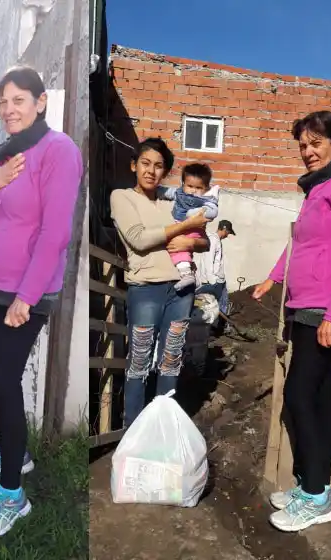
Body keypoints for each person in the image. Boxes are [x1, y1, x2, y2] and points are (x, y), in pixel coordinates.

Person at [0, 66, 83, 539]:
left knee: (2, 377)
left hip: (25, 293)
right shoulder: (7, 156)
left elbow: (56, 233)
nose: (9, 109)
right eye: (3, 102)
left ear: (40, 102)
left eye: (19, 99)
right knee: (1, 378)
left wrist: (27, 297)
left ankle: (13, 495)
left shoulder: (59, 150)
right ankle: (16, 455)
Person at [252, 110, 331, 532]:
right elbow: (299, 244)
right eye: (302, 145)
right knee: (319, 396)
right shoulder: (317, 191)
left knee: (302, 397)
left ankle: (318, 496)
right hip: (305, 305)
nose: (307, 152)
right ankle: (313, 487)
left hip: (327, 308)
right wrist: (272, 278)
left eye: (315, 143)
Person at [109, 137, 210, 428]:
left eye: (158, 166)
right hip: (146, 290)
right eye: (145, 164)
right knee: (139, 361)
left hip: (181, 291)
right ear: (134, 166)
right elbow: (140, 239)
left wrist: (191, 237)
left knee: (171, 361)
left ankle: (161, 431)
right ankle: (133, 430)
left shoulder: (173, 202)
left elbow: (202, 239)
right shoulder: (122, 197)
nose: (151, 171)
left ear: (165, 172)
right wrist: (184, 228)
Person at [157, 162, 219, 291]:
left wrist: (195, 213)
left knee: (178, 247)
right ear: (183, 184)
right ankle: (191, 275)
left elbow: (212, 211)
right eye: (190, 186)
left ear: (206, 189)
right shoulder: (179, 193)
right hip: (181, 225)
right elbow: (167, 192)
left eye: (198, 187)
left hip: (194, 229)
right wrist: (156, 190)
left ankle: (187, 274)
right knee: (175, 247)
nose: (193, 190)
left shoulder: (207, 200)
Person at [195, 219, 235, 316]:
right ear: (225, 230)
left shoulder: (216, 240)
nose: (228, 235)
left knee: (221, 303)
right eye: (228, 232)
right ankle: (216, 324)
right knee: (210, 304)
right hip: (214, 280)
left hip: (219, 279)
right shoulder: (213, 240)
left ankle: (220, 323)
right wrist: (212, 280)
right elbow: (208, 260)